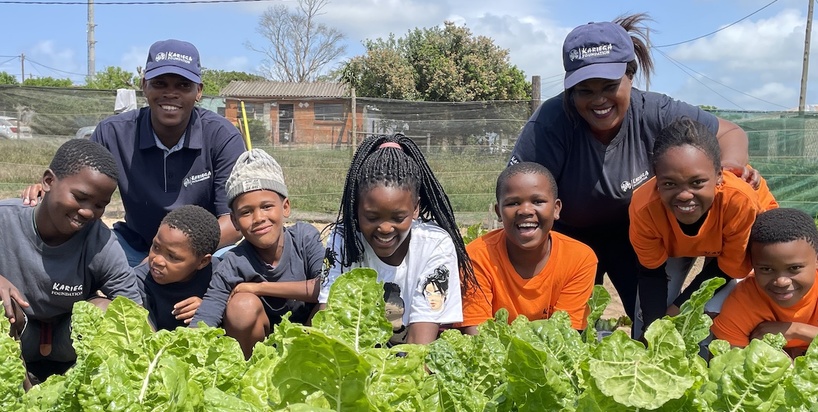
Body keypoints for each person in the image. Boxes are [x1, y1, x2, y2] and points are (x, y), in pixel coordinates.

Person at [508, 14, 758, 325]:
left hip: (637, 234)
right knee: (567, 327)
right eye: (584, 90)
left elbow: (730, 133)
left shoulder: (656, 111)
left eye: (610, 86)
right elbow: (518, 190)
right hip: (569, 236)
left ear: (631, 75)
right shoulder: (551, 122)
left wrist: (731, 167)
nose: (599, 99)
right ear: (570, 89)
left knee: (648, 322)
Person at [22, 39, 246, 267]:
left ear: (198, 91)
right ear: (144, 85)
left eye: (183, 85)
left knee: (231, 265)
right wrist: (47, 191)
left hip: (198, 252)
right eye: (160, 83)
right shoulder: (113, 133)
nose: (171, 93)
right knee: (81, 249)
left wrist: (169, 255)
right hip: (132, 247)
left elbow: (232, 223)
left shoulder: (222, 136)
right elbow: (75, 189)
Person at [0, 139, 141, 384]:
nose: (88, 212)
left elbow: (135, 315)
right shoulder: (5, 219)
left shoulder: (102, 243)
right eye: (80, 197)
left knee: (109, 312)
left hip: (68, 343)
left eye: (100, 205)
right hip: (18, 339)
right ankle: (20, 393)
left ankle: (69, 391)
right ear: (48, 181)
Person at [317, 133, 477, 346]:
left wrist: (391, 376)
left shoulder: (435, 244)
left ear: (416, 208)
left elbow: (420, 347)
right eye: (372, 217)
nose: (384, 228)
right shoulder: (343, 239)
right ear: (355, 208)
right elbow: (330, 323)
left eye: (398, 218)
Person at [629, 118, 778, 332]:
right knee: (646, 320)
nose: (684, 194)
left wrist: (678, 308)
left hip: (733, 244)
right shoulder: (644, 207)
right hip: (679, 244)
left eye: (697, 182)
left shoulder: (739, 200)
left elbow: (727, 269)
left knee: (712, 315)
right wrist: (653, 330)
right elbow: (651, 272)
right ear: (656, 180)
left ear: (719, 175)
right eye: (669, 183)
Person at [191, 149, 325, 359]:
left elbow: (325, 288)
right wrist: (183, 350)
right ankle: (247, 374)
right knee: (241, 306)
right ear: (234, 221)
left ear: (285, 207)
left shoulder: (304, 239)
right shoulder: (234, 262)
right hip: (261, 352)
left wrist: (259, 288)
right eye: (246, 212)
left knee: (329, 306)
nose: (259, 218)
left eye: (266, 206)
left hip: (308, 345)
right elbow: (208, 313)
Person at [460, 162, 597, 334]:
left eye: (538, 201)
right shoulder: (476, 257)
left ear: (556, 209)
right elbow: (477, 336)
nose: (525, 210)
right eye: (512, 203)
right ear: (498, 212)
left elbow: (565, 338)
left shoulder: (579, 259)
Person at [712, 208, 818, 358]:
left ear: (816, 260)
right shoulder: (742, 304)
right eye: (766, 269)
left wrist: (795, 330)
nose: (781, 281)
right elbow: (725, 369)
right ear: (752, 265)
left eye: (794, 268)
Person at [135, 205, 221, 331]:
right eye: (156, 247)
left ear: (202, 262)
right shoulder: (138, 282)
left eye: (172, 257)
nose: (157, 260)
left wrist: (210, 308)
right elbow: (146, 339)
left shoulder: (220, 273)